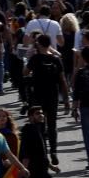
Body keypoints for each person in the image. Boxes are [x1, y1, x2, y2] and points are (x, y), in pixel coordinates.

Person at [25, 34, 69, 165]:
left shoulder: (35, 58)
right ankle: (54, 151)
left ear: (38, 44)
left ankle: (43, 151)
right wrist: (66, 99)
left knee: (39, 123)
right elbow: (62, 80)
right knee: (52, 123)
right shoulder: (56, 59)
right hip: (52, 95)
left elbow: (25, 72)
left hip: (38, 95)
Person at [19, 106, 59, 178]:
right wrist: (24, 170)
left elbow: (42, 154)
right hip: (32, 174)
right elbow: (25, 153)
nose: (41, 115)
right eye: (37, 113)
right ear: (31, 117)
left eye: (41, 113)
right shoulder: (29, 130)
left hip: (42, 173)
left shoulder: (39, 129)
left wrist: (51, 166)